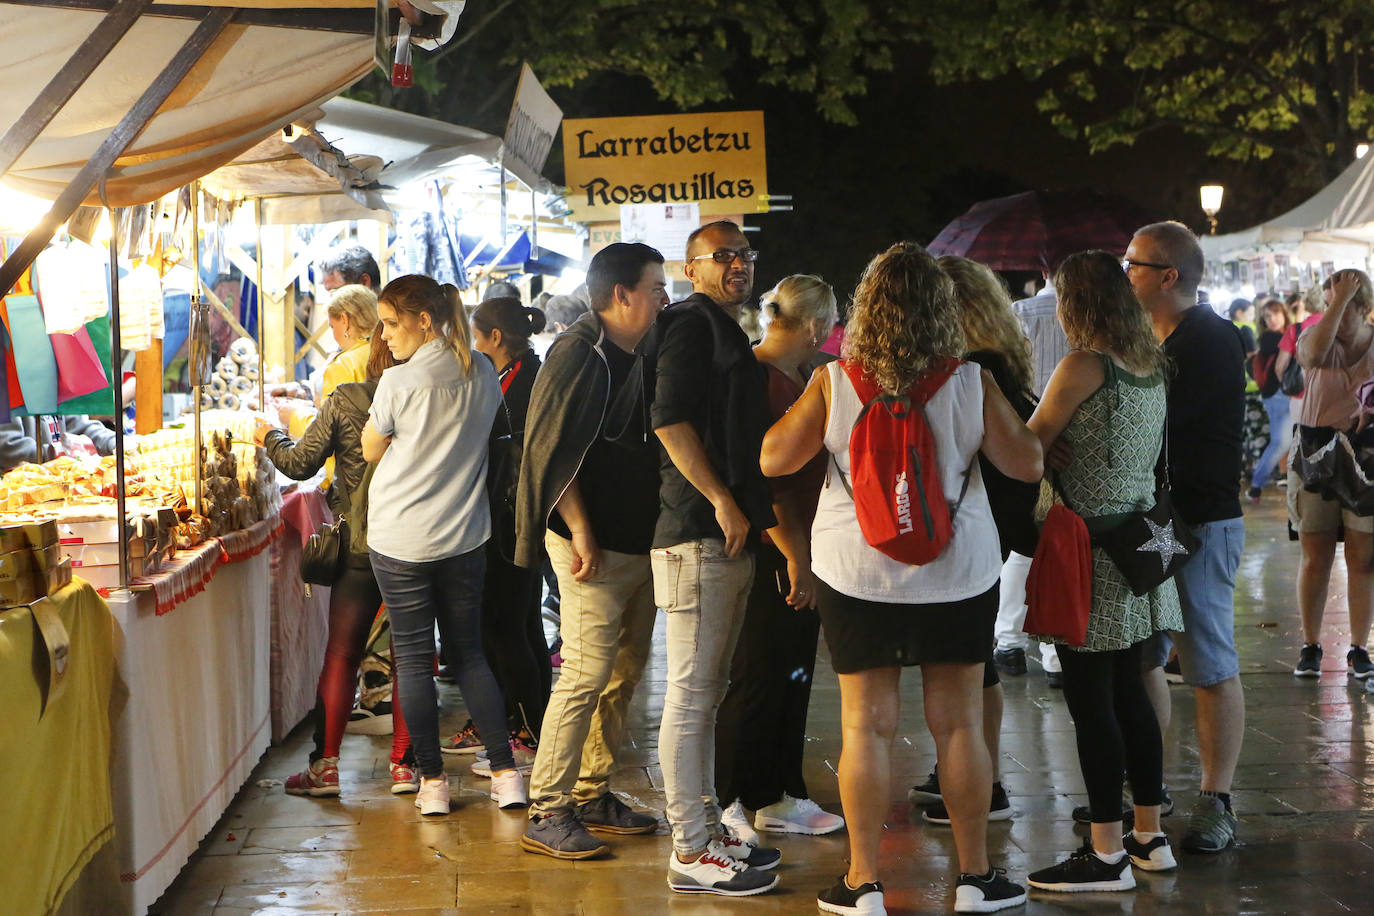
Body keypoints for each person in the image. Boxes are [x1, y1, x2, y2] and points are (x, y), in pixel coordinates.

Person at [762, 241, 1041, 915]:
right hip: (958, 572)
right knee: (959, 725)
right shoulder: (972, 381)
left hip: (854, 572)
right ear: (943, 310)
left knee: (866, 728)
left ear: (867, 309)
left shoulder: (834, 380)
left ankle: (862, 883)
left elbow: (773, 458)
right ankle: (975, 877)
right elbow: (1027, 464)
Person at [514, 243, 668, 860]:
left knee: (623, 674)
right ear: (621, 295)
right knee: (582, 674)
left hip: (636, 542)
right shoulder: (579, 351)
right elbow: (548, 450)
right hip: (590, 547)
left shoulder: (638, 349)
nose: (664, 297)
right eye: (656, 287)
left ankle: (593, 791)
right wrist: (580, 529)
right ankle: (548, 809)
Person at [360, 274, 526, 815]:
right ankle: (505, 773)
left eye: (389, 324)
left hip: (400, 538)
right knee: (470, 653)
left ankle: (432, 783)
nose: (384, 337)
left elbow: (369, 451)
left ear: (423, 320)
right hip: (464, 535)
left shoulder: (397, 384)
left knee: (413, 660)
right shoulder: (481, 369)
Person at [651, 220, 781, 897]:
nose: (738, 265)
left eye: (745, 254)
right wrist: (723, 501)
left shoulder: (718, 324)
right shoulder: (689, 325)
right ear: (693, 265)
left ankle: (706, 827)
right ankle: (689, 848)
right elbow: (669, 419)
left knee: (708, 692)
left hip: (721, 532)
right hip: (697, 531)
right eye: (723, 256)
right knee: (692, 693)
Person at [1127, 221, 1248, 856]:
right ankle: (1150, 791)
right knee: (1146, 654)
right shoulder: (1162, 336)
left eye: (1134, 265)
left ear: (1168, 276)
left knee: (1208, 662)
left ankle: (1217, 800)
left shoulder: (1209, 339)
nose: (1127, 275)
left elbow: (1159, 424)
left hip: (1198, 521)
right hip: (1160, 522)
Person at [714, 274, 845, 844]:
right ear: (816, 326)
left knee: (792, 674)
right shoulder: (757, 378)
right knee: (755, 677)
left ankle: (779, 790)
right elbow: (764, 482)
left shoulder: (799, 378)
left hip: (804, 545)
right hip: (773, 548)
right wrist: (797, 558)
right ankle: (730, 797)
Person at [911, 255, 1041, 829]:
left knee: (971, 664)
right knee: (977, 660)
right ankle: (975, 777)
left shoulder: (975, 365)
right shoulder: (999, 358)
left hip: (979, 522)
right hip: (993, 521)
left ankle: (978, 784)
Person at [255, 330, 415, 797]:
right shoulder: (434, 397)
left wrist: (269, 434)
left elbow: (300, 463)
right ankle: (405, 765)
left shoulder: (348, 398)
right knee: (412, 657)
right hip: (417, 545)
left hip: (360, 546)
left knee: (342, 653)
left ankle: (325, 766)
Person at [442, 296, 550, 766]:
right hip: (512, 515)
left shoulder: (523, 380)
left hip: (511, 517)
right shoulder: (517, 373)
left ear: (495, 338)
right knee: (520, 623)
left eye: (475, 334)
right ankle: (519, 721)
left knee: (505, 626)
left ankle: (525, 729)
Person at [1289, 269, 1374, 680]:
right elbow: (1313, 356)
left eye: (1340, 304)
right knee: (1315, 554)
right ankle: (1310, 644)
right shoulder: (1315, 336)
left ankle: (1359, 648)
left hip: (1366, 455)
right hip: (1315, 450)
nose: (1331, 313)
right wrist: (1337, 304)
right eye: (1326, 305)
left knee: (1363, 556)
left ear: (1365, 308)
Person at [1004, 271, 1066, 686]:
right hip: (1071, 442)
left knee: (1023, 544)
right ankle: (1055, 650)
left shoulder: (1019, 313)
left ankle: (1008, 640)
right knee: (1058, 542)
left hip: (1020, 432)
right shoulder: (1084, 317)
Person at [1249, 298, 1294, 500]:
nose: (1272, 319)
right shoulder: (1269, 338)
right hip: (1277, 395)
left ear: (1284, 314)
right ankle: (1256, 485)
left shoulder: (1285, 335)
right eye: (1267, 316)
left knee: (1288, 441)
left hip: (1285, 395)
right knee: (1280, 442)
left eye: (1275, 314)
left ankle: (1260, 484)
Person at [320, 284, 379, 401]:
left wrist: (295, 416)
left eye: (332, 326)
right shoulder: (390, 352)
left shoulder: (343, 365)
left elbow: (330, 419)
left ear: (344, 320)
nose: (334, 335)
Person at [0, 415, 115, 472]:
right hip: (17, 496)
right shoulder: (6, 380)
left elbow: (80, 426)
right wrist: (59, 453)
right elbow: (8, 449)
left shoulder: (57, 378)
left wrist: (116, 443)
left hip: (60, 487)